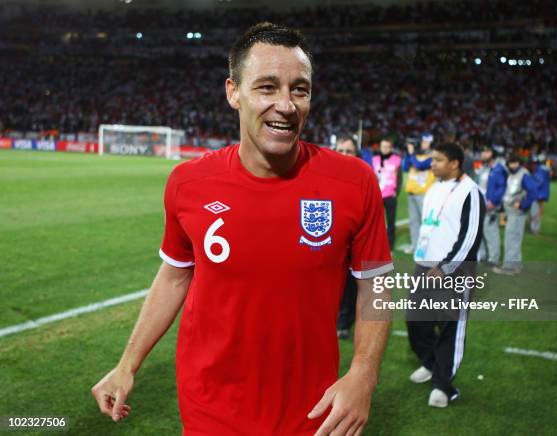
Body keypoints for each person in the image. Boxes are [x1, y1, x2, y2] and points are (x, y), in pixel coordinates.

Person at [91, 23, 394, 436]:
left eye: (299, 89)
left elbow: (375, 285)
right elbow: (175, 275)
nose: (285, 105)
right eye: (267, 87)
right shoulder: (188, 183)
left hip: (314, 412)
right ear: (233, 92)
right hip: (210, 407)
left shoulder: (353, 182)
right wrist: (127, 365)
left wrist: (364, 374)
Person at [406, 143, 485, 408]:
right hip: (425, 265)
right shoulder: (434, 186)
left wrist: (445, 267)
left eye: (438, 160)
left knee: (450, 326)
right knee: (416, 320)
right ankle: (431, 363)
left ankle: (443, 385)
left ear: (455, 163)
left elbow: (470, 238)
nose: (432, 164)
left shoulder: (471, 192)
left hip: (453, 270)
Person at [333, 135, 360, 340]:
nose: (344, 155)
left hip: (353, 242)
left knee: (349, 285)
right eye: (341, 150)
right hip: (328, 242)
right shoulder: (324, 177)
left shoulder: (363, 179)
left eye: (348, 151)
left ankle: (344, 322)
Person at [493, 154, 537, 275]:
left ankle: (509, 267)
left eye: (515, 162)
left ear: (519, 162)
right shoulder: (511, 173)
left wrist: (523, 204)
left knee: (512, 238)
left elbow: (533, 191)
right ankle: (515, 265)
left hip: (517, 212)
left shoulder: (524, 174)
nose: (512, 165)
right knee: (513, 238)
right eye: (511, 163)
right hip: (510, 211)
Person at [403, 133, 436, 254]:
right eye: (422, 141)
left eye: (426, 142)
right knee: (414, 221)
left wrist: (411, 153)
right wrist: (408, 153)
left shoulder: (433, 157)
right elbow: (406, 167)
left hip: (424, 194)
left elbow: (421, 166)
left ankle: (428, 248)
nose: (422, 144)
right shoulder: (415, 155)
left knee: (426, 222)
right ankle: (415, 245)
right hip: (412, 193)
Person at [476, 145, 507, 265]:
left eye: (485, 152)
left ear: (491, 154)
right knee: (480, 230)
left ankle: (493, 258)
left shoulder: (499, 169)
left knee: (490, 231)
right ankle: (483, 254)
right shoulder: (484, 167)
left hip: (491, 204)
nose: (482, 154)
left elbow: (502, 187)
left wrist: (493, 201)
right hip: (481, 202)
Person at [372, 138, 402, 250]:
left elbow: (400, 178)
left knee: (391, 222)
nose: (384, 149)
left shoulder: (397, 160)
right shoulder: (374, 159)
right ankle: (375, 243)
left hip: (390, 196)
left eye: (387, 147)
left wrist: (396, 192)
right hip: (377, 196)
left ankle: (390, 245)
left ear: (391, 148)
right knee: (375, 222)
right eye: (382, 146)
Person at [529, 154, 551, 234]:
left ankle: (535, 229)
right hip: (541, 194)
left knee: (535, 212)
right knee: (536, 212)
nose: (532, 165)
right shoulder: (542, 169)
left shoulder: (540, 171)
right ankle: (534, 228)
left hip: (539, 194)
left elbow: (538, 182)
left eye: (534, 163)